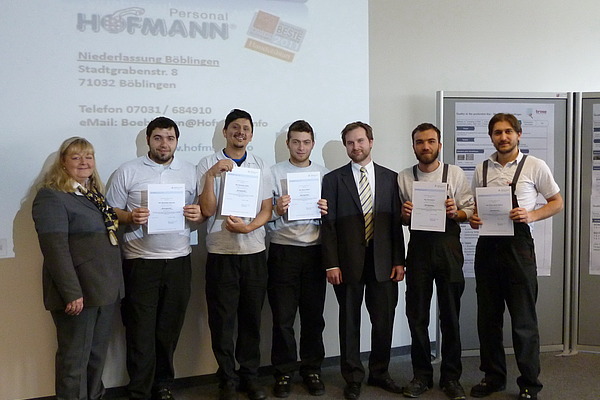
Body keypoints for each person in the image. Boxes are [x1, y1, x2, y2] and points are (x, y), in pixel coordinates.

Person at [106, 117, 203, 400]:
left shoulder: (190, 171)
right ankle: (139, 389)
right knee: (139, 330)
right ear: (148, 140)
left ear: (177, 141)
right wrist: (129, 216)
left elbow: (201, 211)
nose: (164, 144)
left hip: (178, 260)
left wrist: (198, 214)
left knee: (168, 329)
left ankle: (163, 385)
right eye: (158, 138)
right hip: (140, 261)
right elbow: (110, 211)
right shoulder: (127, 171)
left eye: (170, 138)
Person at [469, 113, 563, 400]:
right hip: (487, 250)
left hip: (519, 250)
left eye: (508, 131)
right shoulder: (482, 169)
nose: (503, 137)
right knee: (488, 320)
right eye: (497, 132)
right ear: (491, 137)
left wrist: (531, 215)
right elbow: (476, 210)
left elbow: (557, 202)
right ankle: (493, 377)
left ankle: (529, 384)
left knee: (523, 321)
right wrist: (473, 219)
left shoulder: (535, 165)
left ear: (518, 134)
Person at [32, 137, 124, 400]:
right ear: (63, 163)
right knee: (74, 361)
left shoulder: (93, 195)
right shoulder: (51, 196)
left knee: (96, 357)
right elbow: (55, 249)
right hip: (79, 293)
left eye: (89, 157)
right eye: (76, 157)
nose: (84, 162)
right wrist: (71, 292)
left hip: (104, 290)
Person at [321, 121, 405, 400]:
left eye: (360, 141)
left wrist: (399, 260)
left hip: (384, 262)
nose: (355, 147)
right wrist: (331, 263)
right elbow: (328, 226)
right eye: (350, 143)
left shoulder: (391, 178)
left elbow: (395, 225)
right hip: (347, 263)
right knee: (349, 322)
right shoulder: (333, 180)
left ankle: (380, 372)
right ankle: (353, 377)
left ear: (371, 142)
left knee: (384, 320)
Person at [197, 109, 272, 400]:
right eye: (235, 127)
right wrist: (211, 175)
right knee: (222, 320)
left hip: (253, 251)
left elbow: (266, 208)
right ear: (225, 132)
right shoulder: (208, 163)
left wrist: (249, 227)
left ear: (251, 134)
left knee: (251, 319)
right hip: (221, 251)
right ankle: (227, 378)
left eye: (246, 128)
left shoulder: (260, 165)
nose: (240, 132)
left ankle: (250, 376)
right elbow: (206, 210)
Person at [397, 123, 474, 400]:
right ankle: (421, 376)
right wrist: (404, 215)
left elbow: (470, 210)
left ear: (439, 145)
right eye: (420, 142)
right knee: (416, 315)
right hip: (418, 251)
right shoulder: (404, 177)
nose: (425, 146)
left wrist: (456, 212)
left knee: (450, 316)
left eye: (431, 141)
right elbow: (399, 218)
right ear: (413, 146)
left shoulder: (454, 173)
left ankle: (451, 378)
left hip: (448, 249)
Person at [267, 120, 329, 398]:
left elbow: (333, 219)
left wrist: (327, 210)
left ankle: (312, 369)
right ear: (288, 144)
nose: (301, 147)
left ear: (312, 144)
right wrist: (276, 210)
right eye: (295, 142)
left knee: (313, 316)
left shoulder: (325, 175)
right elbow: (262, 215)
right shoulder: (274, 173)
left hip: (315, 252)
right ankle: (283, 372)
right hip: (283, 250)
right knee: (283, 317)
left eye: (305, 142)